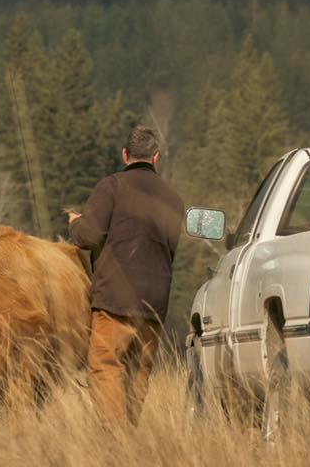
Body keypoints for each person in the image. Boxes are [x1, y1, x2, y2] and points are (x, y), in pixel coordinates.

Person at [68, 125, 185, 425]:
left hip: (114, 302)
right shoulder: (173, 199)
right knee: (137, 377)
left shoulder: (113, 186)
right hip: (153, 307)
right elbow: (169, 251)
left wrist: (74, 223)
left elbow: (88, 237)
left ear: (124, 154)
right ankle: (130, 442)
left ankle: (114, 445)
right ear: (156, 157)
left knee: (106, 368)